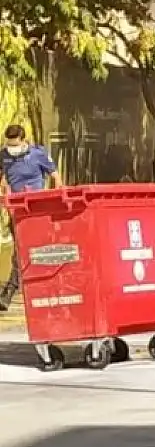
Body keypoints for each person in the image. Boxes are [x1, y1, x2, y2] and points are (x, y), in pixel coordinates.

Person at [0, 125, 63, 309]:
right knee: (21, 250)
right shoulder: (3, 156)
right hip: (17, 209)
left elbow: (56, 178)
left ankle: (13, 291)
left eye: (15, 145)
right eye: (9, 145)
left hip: (38, 209)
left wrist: (55, 204)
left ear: (23, 139)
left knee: (37, 250)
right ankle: (11, 292)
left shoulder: (37, 154)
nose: (12, 150)